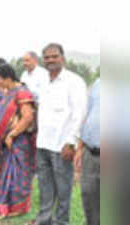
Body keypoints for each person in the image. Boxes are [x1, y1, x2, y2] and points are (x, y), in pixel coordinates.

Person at [31, 43, 88, 225]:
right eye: (47, 57)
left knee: (63, 189)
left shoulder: (74, 81)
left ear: (62, 58)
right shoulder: (43, 81)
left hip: (62, 145)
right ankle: (44, 220)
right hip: (43, 143)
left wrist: (71, 142)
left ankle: (61, 222)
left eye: (54, 56)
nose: (50, 60)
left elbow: (79, 114)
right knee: (45, 186)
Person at [0, 64, 37, 220]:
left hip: (18, 141)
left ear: (7, 78)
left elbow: (27, 117)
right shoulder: (8, 92)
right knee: (7, 174)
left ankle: (17, 208)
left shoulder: (22, 92)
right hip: (7, 141)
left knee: (17, 174)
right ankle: (5, 204)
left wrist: (12, 134)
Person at [74, 78, 100, 225]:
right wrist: (79, 147)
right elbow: (88, 116)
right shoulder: (98, 83)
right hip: (91, 153)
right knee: (89, 199)